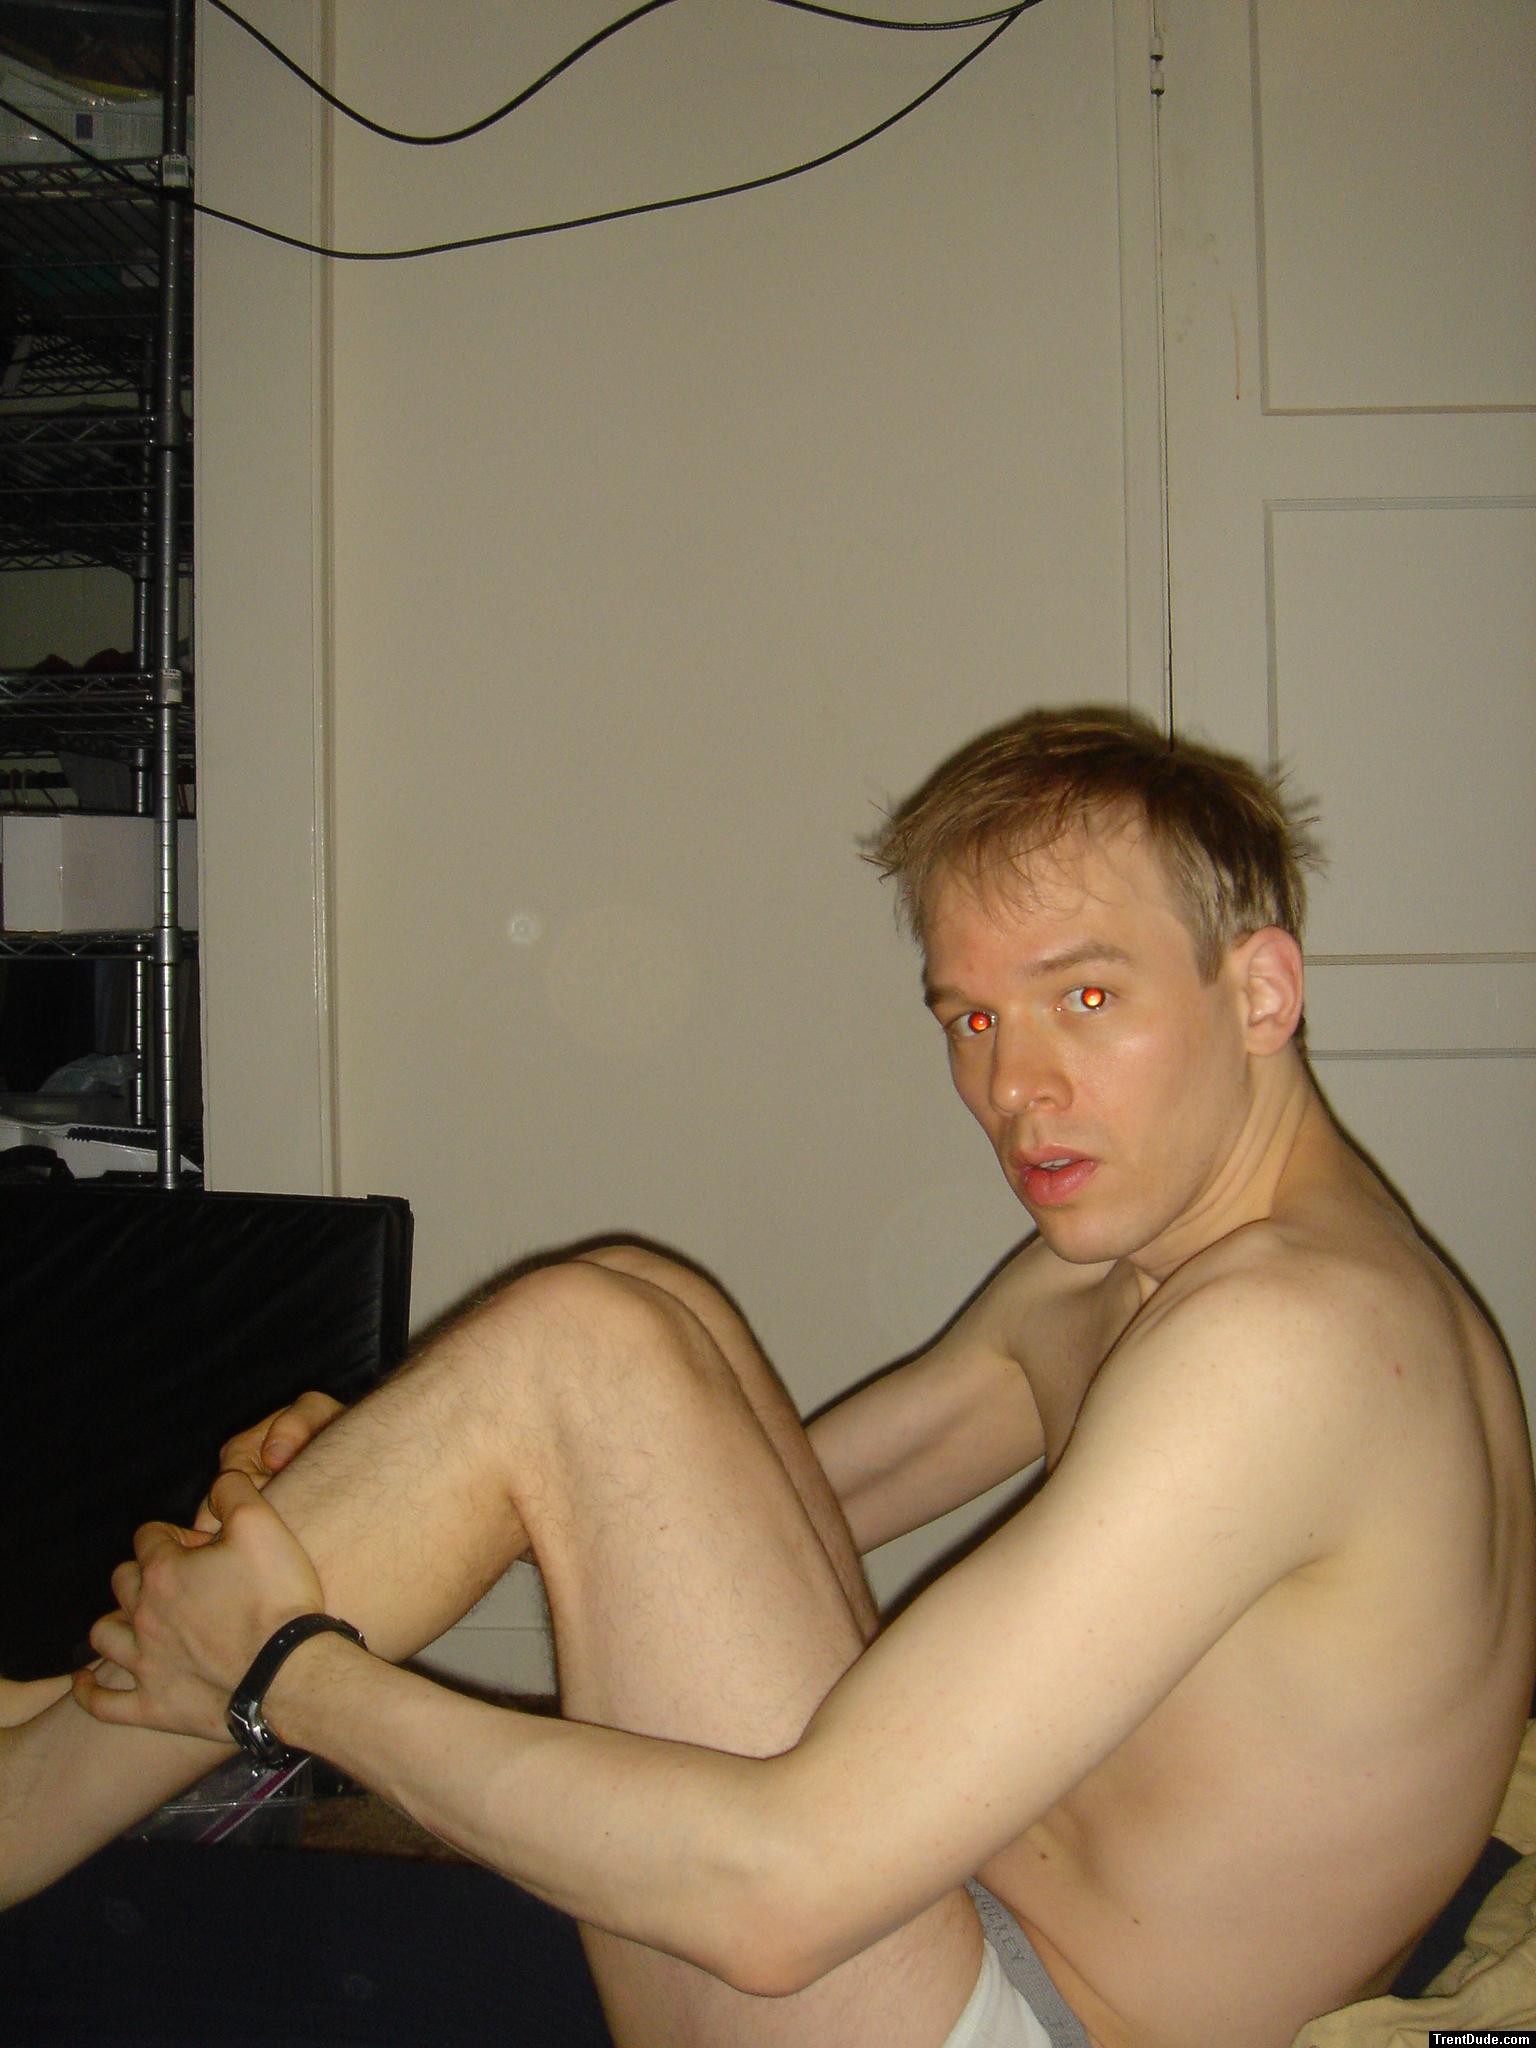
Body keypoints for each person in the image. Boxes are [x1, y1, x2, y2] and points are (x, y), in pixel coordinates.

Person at [2, 707, 1531, 2048]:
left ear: (1260, 993)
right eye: (972, 1018)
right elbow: (751, 1500)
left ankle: (43, 1778)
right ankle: (70, 1718)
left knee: (587, 1349)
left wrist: (288, 1675)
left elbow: (778, 1903)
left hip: (1035, 2020)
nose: (1012, 1087)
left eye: (1084, 998)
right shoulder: (1134, 1274)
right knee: (641, 1309)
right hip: (971, 1924)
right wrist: (412, 1466)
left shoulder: (1291, 1342)